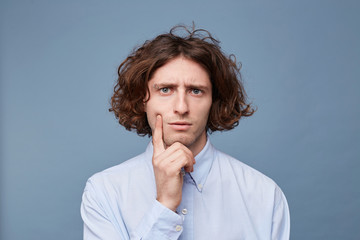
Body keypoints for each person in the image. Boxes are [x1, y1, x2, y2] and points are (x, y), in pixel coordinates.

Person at [81, 25, 290, 240]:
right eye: (165, 89)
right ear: (142, 99)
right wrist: (164, 206)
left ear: (214, 101)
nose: (181, 107)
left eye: (196, 91)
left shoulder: (264, 195)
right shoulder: (104, 192)